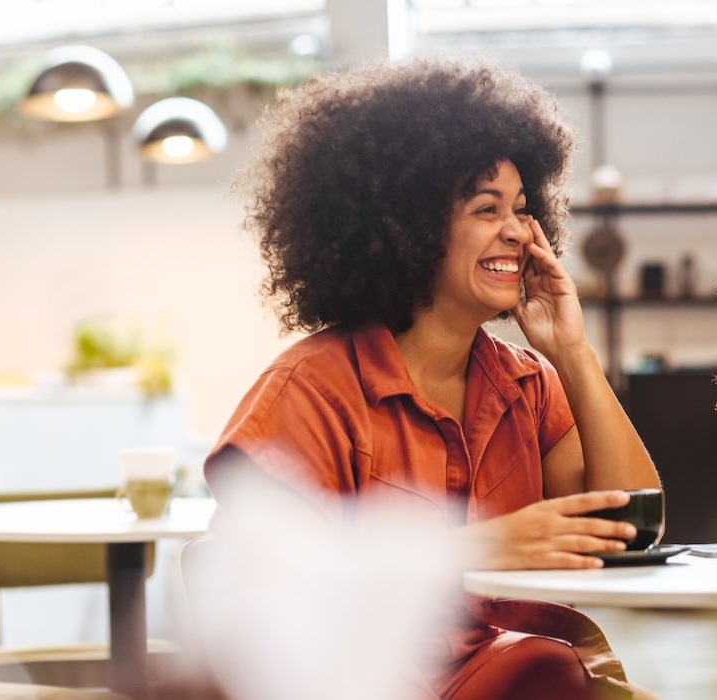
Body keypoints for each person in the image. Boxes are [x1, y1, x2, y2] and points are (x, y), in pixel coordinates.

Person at [204, 56, 662, 700]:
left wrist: (574, 352)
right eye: (485, 208)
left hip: (516, 676)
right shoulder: (309, 389)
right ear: (408, 228)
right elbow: (261, 597)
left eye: (522, 208)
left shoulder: (528, 384)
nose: (516, 232)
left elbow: (629, 532)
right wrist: (475, 547)